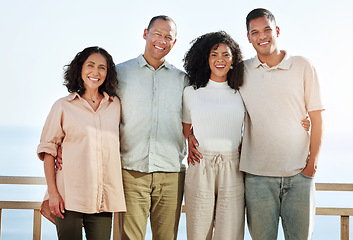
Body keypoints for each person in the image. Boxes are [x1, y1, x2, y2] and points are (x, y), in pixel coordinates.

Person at [240, 8, 324, 239]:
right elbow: (217, 100)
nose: (262, 36)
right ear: (248, 38)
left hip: (299, 176)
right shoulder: (241, 71)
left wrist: (311, 167)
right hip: (257, 177)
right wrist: (192, 132)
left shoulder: (303, 66)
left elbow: (317, 118)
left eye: (267, 29)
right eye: (254, 32)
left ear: (277, 31)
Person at [37, 46, 126, 240]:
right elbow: (49, 150)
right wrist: (53, 194)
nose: (96, 72)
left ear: (108, 73)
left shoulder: (115, 105)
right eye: (90, 65)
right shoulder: (63, 106)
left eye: (102, 67)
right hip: (68, 196)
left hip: (102, 199)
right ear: (80, 69)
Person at [115, 15, 188, 240]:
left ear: (174, 43)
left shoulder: (183, 80)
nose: (162, 40)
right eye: (157, 33)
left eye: (168, 37)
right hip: (130, 171)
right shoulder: (119, 73)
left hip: (171, 173)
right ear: (145, 33)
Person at [182, 31, 245, 240]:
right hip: (200, 164)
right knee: (198, 233)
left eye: (226, 55)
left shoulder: (241, 91)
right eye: (214, 54)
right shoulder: (192, 92)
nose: (220, 60)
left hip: (233, 167)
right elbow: (186, 127)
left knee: (230, 234)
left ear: (233, 59)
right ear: (206, 58)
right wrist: (189, 138)